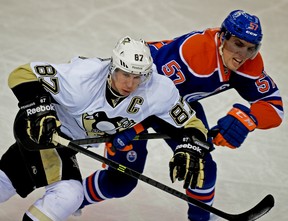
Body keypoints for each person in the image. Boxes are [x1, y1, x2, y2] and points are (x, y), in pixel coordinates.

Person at [81, 10, 283, 221]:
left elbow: (274, 107)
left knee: (201, 166)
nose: (243, 55)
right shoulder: (195, 54)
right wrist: (133, 129)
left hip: (178, 103)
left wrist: (247, 120)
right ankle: (69, 200)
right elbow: (148, 94)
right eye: (238, 44)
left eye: (251, 48)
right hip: (131, 99)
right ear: (223, 37)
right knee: (120, 181)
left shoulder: (248, 63)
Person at [0, 36, 211, 221]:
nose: (130, 83)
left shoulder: (157, 89)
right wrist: (40, 110)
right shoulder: (83, 78)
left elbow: (191, 123)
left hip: (67, 146)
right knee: (69, 194)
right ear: (113, 67)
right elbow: (23, 73)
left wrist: (190, 146)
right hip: (43, 135)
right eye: (125, 74)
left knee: (9, 178)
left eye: (137, 77)